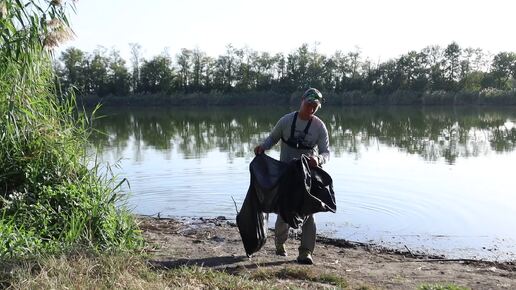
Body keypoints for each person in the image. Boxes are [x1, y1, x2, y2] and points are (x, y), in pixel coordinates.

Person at [254, 87, 330, 264]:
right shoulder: (286, 121)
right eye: (308, 104)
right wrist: (262, 147)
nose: (311, 108)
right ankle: (280, 243)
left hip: (307, 176)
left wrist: (318, 159)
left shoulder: (320, 126)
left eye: (315, 106)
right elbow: (272, 139)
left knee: (309, 212)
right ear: (301, 101)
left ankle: (306, 252)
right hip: (286, 174)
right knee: (284, 211)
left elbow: (327, 153)